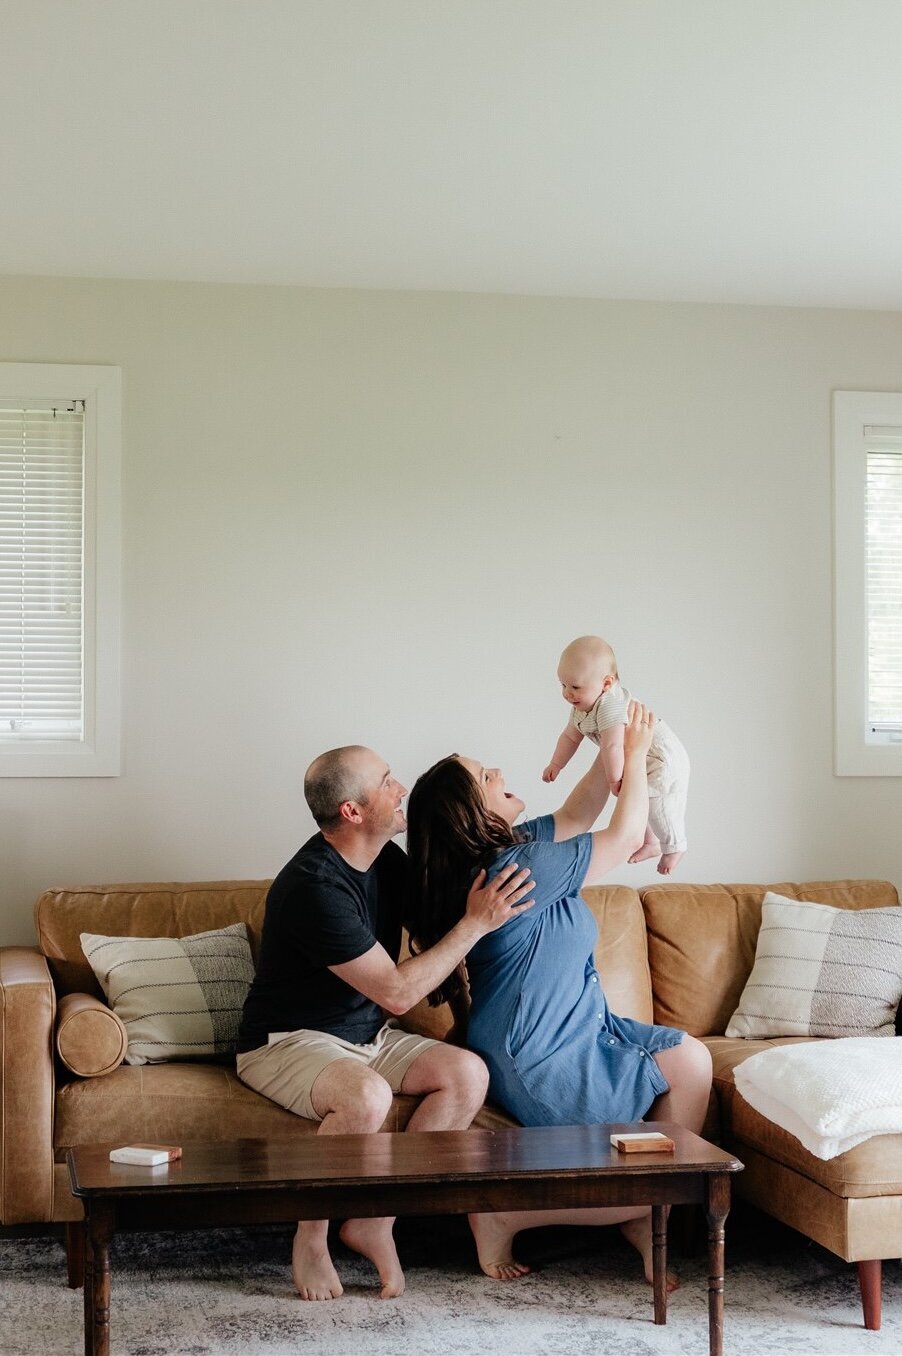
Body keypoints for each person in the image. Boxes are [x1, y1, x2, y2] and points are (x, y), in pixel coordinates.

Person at [406, 703, 712, 1286]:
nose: (497, 771)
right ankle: (510, 1215)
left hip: (585, 1027)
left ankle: (650, 1214)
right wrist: (644, 749)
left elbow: (580, 807)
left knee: (692, 1061)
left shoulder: (516, 847)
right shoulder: (516, 869)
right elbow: (621, 838)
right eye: (484, 776)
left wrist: (614, 737)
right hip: (538, 1051)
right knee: (639, 1147)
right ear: (473, 811)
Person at [236, 745, 535, 1302]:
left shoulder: (387, 863)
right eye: (387, 781)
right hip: (286, 1042)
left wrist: (499, 822)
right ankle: (312, 1238)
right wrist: (475, 925)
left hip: (363, 1037)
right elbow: (397, 992)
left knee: (467, 1074)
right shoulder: (313, 888)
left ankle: (377, 1218)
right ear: (353, 811)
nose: (402, 789)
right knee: (367, 1098)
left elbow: (442, 910)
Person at [543, 635, 690, 874]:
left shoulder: (610, 706)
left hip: (662, 758)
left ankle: (675, 846)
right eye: (563, 685)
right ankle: (651, 842)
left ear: (607, 683)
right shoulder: (581, 706)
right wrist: (556, 764)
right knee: (640, 801)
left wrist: (615, 781)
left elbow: (611, 747)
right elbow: (570, 737)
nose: (568, 694)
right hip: (640, 756)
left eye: (576, 687)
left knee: (660, 804)